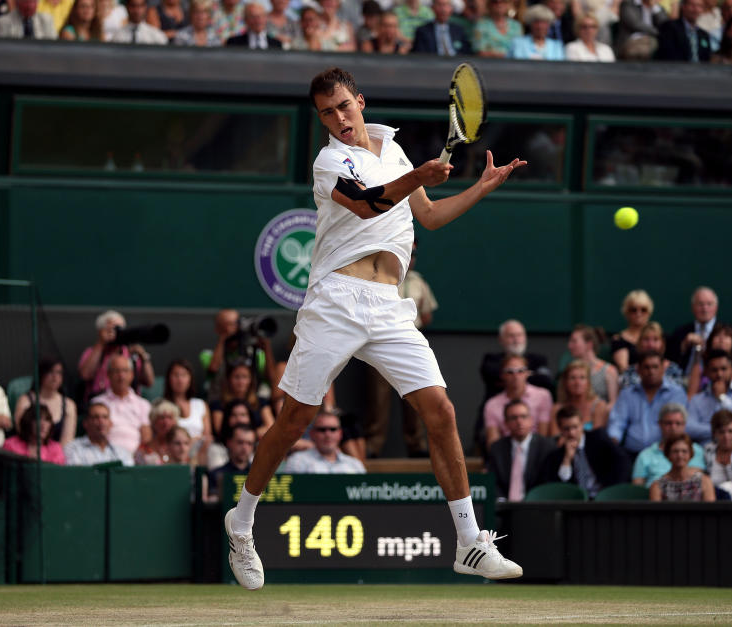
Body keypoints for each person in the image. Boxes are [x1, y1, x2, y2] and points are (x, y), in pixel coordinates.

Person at [224, 67, 527, 589]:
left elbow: (427, 217)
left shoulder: (396, 150)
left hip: (390, 304)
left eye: (343, 105)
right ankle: (242, 521)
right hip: (336, 301)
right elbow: (369, 204)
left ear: (360, 101)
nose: (338, 118)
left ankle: (469, 543)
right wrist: (418, 178)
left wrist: (480, 187)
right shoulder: (329, 161)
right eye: (326, 112)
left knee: (441, 410)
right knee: (295, 420)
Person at [366, 239, 435, 458]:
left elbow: (427, 314)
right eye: (407, 254)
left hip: (409, 343)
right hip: (381, 341)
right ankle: (373, 446)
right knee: (378, 398)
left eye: (414, 256)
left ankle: (417, 445)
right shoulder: (377, 278)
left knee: (416, 395)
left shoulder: (419, 282)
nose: (411, 259)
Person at [607, 351, 688, 457]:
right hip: (631, 453)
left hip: (665, 453)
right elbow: (617, 422)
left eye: (655, 367)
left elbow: (678, 426)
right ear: (638, 370)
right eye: (647, 367)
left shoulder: (676, 393)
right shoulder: (627, 394)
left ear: (663, 368)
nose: (651, 371)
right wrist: (612, 442)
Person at [542, 407, 632, 497]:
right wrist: (567, 459)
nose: (572, 433)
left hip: (604, 497)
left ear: (582, 424)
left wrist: (613, 490)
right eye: (566, 429)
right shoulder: (558, 454)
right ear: (560, 429)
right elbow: (561, 483)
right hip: (577, 502)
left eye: (575, 427)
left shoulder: (598, 438)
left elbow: (623, 461)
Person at [77, 310, 155, 404]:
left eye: (120, 329)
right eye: (112, 329)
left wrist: (144, 356)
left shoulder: (130, 353)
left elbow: (149, 382)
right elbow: (85, 375)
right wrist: (101, 343)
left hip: (129, 404)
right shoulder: (93, 352)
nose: (117, 333)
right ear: (101, 331)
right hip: (100, 405)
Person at [486, 399, 557, 500]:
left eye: (524, 416)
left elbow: (549, 482)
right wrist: (501, 501)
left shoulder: (547, 446)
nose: (519, 421)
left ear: (531, 420)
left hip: (537, 506)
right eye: (514, 418)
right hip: (504, 507)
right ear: (506, 423)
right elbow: (493, 481)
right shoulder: (497, 448)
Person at [686, 349, 732, 444]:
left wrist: (723, 398)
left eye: (724, 369)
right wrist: (723, 429)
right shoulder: (697, 400)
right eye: (714, 370)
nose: (719, 374)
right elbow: (689, 429)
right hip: (706, 454)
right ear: (707, 372)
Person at [484, 354, 553, 447]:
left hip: (537, 455)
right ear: (502, 375)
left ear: (528, 373)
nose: (515, 376)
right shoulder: (492, 404)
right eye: (510, 371)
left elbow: (543, 436)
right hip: (506, 454)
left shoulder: (543, 396)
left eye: (520, 371)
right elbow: (493, 445)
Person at [90, 355, 152, 456]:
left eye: (125, 371)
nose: (121, 376)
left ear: (132, 374)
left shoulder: (143, 404)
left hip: (135, 458)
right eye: (116, 371)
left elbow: (146, 436)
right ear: (108, 375)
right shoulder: (97, 403)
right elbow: (94, 434)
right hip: (104, 455)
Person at [668, 286, 732, 373]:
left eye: (709, 304)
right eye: (700, 304)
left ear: (716, 307)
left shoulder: (729, 332)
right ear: (693, 307)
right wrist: (683, 345)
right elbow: (671, 360)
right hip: (683, 379)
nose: (705, 309)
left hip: (713, 378)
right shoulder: (681, 332)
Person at [479, 319, 552, 401]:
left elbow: (544, 381)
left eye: (519, 335)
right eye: (511, 336)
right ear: (501, 339)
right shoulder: (491, 360)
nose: (516, 339)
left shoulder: (538, 360)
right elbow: (492, 376)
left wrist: (508, 378)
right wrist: (529, 374)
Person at [633, 403, 705, 485]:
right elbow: (637, 488)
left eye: (678, 423)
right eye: (668, 423)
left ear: (684, 425)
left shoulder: (697, 450)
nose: (673, 428)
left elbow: (697, 479)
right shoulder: (645, 455)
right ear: (660, 424)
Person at [13, 358, 78, 445]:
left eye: (59, 372)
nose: (55, 377)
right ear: (41, 374)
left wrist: (54, 455)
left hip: (57, 455)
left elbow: (67, 441)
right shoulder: (25, 401)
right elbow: (21, 431)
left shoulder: (69, 405)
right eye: (50, 372)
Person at [282, 411, 367, 473]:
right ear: (312, 434)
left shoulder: (354, 464)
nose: (328, 434)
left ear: (340, 434)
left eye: (333, 429)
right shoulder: (297, 461)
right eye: (322, 430)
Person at [211, 362, 274, 440]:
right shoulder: (218, 404)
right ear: (228, 379)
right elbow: (219, 430)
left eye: (245, 377)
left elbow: (271, 427)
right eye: (236, 377)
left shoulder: (260, 401)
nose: (241, 382)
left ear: (251, 380)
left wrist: (248, 436)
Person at [557, 324, 618, 404]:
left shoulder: (609, 371)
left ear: (589, 344)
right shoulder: (569, 369)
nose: (569, 346)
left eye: (574, 341)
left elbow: (613, 404)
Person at [686, 322, 732, 396]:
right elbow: (691, 397)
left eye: (726, 335)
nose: (721, 339)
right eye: (717, 335)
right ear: (710, 341)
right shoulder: (700, 367)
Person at [616, 322, 685, 391]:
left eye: (655, 340)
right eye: (646, 339)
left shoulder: (674, 370)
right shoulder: (629, 373)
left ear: (662, 343)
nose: (651, 345)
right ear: (639, 343)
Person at [63, 401, 135, 466]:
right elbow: (77, 476)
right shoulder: (73, 448)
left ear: (111, 424)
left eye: (105, 417)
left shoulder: (122, 453)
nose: (101, 421)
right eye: (96, 417)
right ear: (86, 423)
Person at [649, 433, 716, 501]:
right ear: (668, 454)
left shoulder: (704, 482)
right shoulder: (657, 486)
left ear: (691, 454)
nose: (680, 456)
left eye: (684, 451)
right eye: (675, 451)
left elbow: (711, 510)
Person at [551, 361, 609, 433]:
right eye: (572, 378)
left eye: (582, 378)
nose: (577, 383)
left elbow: (598, 438)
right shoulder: (557, 409)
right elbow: (554, 439)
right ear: (565, 382)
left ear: (588, 382)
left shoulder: (599, 406)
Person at [163, 359, 212, 442]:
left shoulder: (201, 404)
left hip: (199, 451)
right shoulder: (162, 406)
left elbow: (207, 436)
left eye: (184, 375)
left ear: (190, 379)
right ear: (168, 379)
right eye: (176, 375)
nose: (180, 380)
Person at [610, 289, 653, 372]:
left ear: (649, 312)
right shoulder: (619, 340)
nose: (638, 314)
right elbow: (624, 369)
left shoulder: (658, 337)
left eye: (643, 310)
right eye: (633, 310)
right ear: (626, 312)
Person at [209, 423, 256, 497]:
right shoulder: (215, 475)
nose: (245, 448)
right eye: (240, 442)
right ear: (229, 442)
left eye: (249, 443)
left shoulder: (259, 476)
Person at [134, 399, 181, 465]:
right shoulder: (144, 449)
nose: (166, 422)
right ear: (154, 421)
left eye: (170, 417)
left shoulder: (182, 445)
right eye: (162, 418)